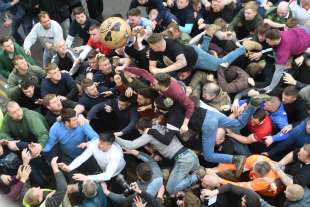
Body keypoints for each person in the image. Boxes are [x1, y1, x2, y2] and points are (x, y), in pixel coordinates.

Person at [114, 117, 200, 194]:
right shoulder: (157, 125)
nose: (140, 134)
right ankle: (196, 178)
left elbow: (131, 145)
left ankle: (196, 177)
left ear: (144, 129)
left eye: (140, 131)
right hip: (189, 153)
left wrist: (115, 138)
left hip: (183, 159)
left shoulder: (148, 134)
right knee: (196, 179)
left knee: (170, 189)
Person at [147, 32, 245, 74]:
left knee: (219, 65)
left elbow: (182, 62)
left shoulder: (172, 45)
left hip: (197, 57)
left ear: (158, 44)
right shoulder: (153, 49)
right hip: (189, 63)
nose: (150, 49)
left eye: (152, 47)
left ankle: (241, 49)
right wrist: (153, 69)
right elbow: (151, 66)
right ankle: (207, 36)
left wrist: (161, 70)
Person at [58, 132, 126, 182]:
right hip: (103, 169)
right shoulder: (95, 143)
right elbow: (82, 157)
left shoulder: (115, 154)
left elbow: (108, 175)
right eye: (99, 141)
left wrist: (86, 177)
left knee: (116, 185)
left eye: (102, 143)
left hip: (117, 171)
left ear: (109, 145)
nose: (99, 144)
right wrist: (69, 167)